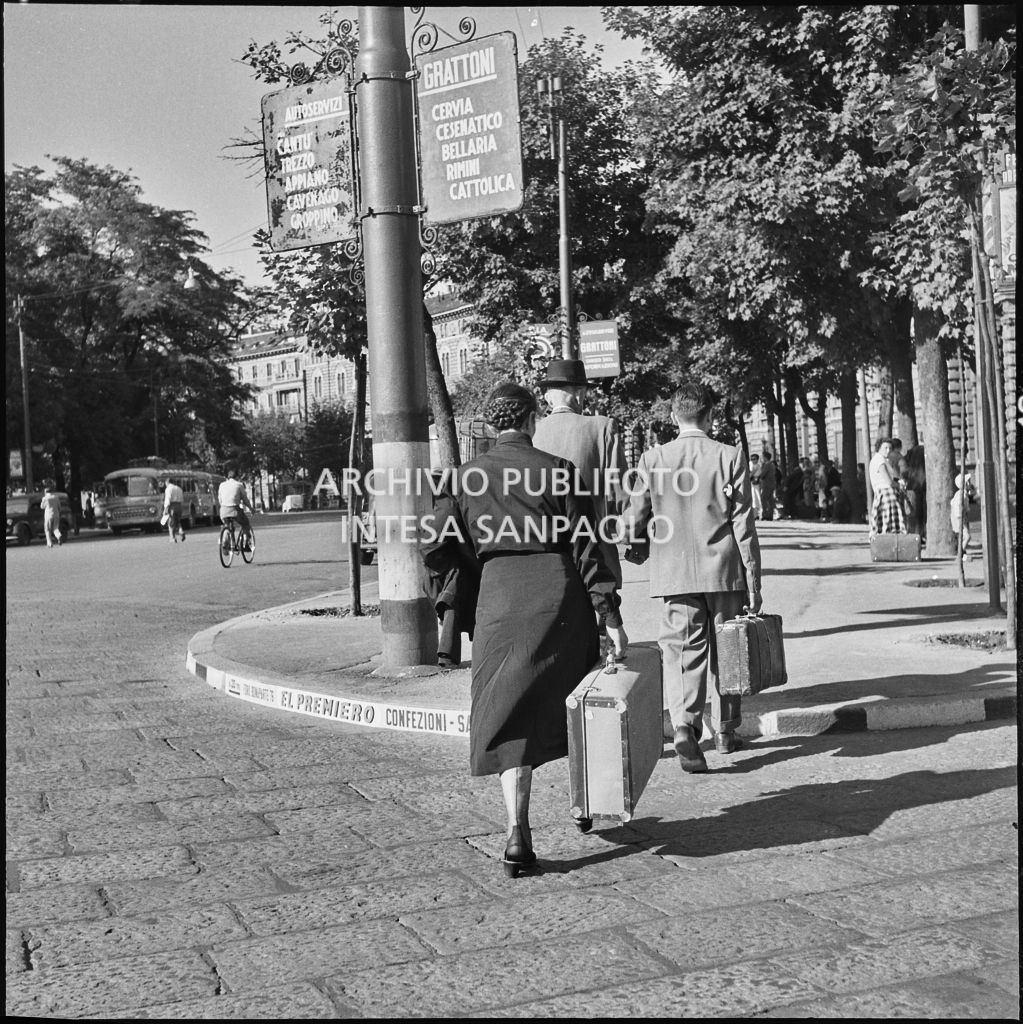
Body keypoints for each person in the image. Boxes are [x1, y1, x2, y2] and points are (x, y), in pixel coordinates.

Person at [421, 382, 626, 877]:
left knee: (507, 713)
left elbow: (432, 545)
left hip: (499, 598)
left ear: (492, 424)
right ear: (532, 420)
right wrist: (610, 615)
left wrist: (475, 566)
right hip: (560, 599)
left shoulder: (464, 478)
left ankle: (517, 831)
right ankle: (583, 804)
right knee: (572, 704)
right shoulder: (560, 471)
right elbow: (587, 549)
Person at [621, 382, 762, 774]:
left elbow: (634, 517)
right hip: (724, 571)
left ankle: (685, 726)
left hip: (674, 573)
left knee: (683, 653)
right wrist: (754, 581)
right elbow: (744, 525)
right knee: (729, 651)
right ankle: (725, 731)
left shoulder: (652, 459)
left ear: (673, 417)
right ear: (711, 415)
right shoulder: (730, 456)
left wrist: (633, 546)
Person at [532, 358, 629, 642]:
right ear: (580, 394)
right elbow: (619, 491)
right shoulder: (602, 427)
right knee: (601, 637)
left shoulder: (532, 432)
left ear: (548, 396)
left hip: (545, 552)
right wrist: (634, 540)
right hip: (595, 550)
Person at [868, 437, 907, 539]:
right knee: (890, 523)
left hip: (882, 494)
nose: (888, 450)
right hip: (887, 495)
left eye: (890, 448)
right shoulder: (879, 460)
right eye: (885, 448)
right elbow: (888, 481)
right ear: (879, 448)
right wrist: (900, 485)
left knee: (885, 523)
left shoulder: (879, 459)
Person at [217, 467, 254, 549]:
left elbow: (220, 500)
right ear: (237, 476)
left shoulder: (221, 485)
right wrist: (251, 509)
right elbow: (245, 499)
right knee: (245, 523)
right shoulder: (239, 485)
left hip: (224, 510)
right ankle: (246, 543)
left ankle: (226, 539)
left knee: (227, 524)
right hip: (235, 510)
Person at [950, 472, 971, 554]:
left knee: (963, 537)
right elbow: (958, 508)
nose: (970, 483)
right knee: (967, 536)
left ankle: (962, 552)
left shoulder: (961, 494)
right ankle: (961, 552)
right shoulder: (962, 495)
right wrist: (961, 519)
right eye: (968, 481)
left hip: (960, 518)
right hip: (960, 518)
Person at [163, 478, 186, 543]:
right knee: (177, 521)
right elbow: (182, 499)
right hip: (179, 506)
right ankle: (181, 531)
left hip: (172, 506)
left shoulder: (168, 489)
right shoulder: (179, 488)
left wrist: (166, 509)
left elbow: (168, 499)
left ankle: (172, 538)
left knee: (171, 523)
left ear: (167, 482)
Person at [758, 450, 777, 522]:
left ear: (765, 457)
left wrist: (758, 477)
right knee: (770, 500)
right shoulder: (772, 464)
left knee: (763, 499)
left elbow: (762, 474)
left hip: (767, 484)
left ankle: (765, 515)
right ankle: (770, 515)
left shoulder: (767, 465)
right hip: (771, 484)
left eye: (762, 457)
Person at [749, 454, 764, 520]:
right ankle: (756, 514)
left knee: (757, 498)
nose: (752, 460)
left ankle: (760, 514)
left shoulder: (756, 466)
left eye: (754, 459)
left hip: (756, 483)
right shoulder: (753, 465)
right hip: (753, 483)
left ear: (757, 459)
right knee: (754, 499)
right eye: (751, 459)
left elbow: (751, 474)